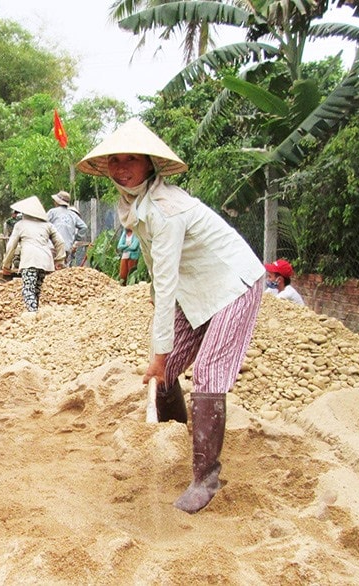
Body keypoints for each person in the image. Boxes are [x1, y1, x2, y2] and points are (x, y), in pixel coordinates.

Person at [76, 118, 265, 514]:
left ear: (149, 164)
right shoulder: (134, 203)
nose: (122, 167)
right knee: (167, 369)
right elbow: (156, 270)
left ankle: (205, 477)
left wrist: (158, 350)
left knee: (208, 372)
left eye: (131, 159)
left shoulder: (166, 209)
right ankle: (176, 436)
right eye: (115, 160)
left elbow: (165, 282)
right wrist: (162, 347)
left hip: (233, 283)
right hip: (194, 288)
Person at [2, 196, 66, 312]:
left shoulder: (20, 225)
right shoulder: (48, 225)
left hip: (30, 261)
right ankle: (36, 316)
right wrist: (59, 261)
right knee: (36, 290)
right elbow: (60, 242)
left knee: (28, 290)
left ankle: (32, 315)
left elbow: (11, 246)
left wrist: (6, 265)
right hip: (45, 262)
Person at [46, 190, 88, 266]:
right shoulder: (73, 215)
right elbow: (84, 227)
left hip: (53, 247)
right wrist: (75, 238)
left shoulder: (52, 212)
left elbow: (44, 224)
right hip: (67, 247)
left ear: (57, 202)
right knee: (63, 270)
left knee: (50, 269)